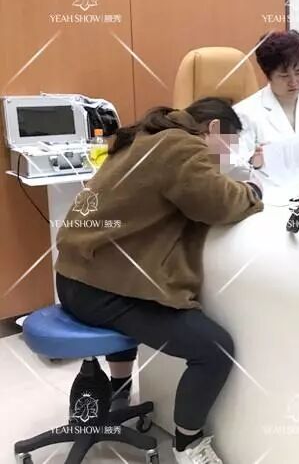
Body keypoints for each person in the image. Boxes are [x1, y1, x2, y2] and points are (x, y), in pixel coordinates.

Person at [55, 98, 264, 464]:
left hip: (74, 278)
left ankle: (119, 395)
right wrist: (252, 191)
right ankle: (188, 444)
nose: (225, 159)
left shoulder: (146, 137)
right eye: (228, 147)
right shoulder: (181, 145)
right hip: (101, 289)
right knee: (214, 348)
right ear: (214, 129)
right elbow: (217, 203)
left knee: (135, 294)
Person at [234, 30, 299, 182]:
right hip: (270, 193)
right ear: (269, 75)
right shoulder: (244, 114)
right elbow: (231, 171)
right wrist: (253, 162)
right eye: (284, 75)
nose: (293, 81)